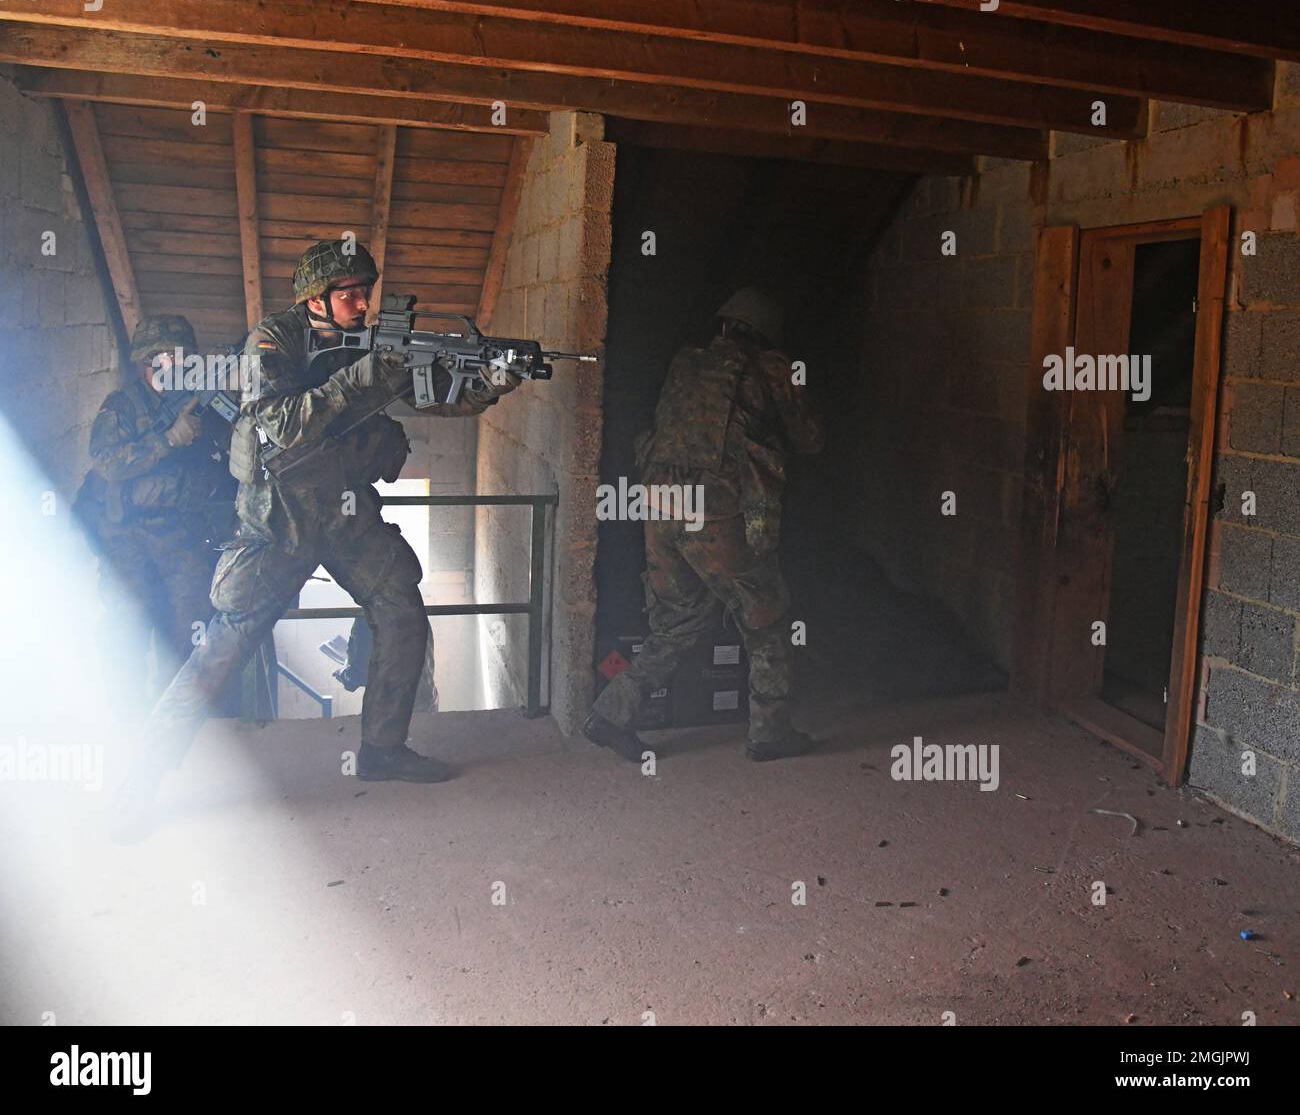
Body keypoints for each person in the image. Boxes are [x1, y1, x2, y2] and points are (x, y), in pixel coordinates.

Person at [110, 239, 520, 841]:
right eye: (347, 295)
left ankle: (383, 748)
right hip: (278, 516)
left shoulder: (374, 342)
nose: (361, 304)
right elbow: (283, 424)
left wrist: (491, 380)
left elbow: (438, 397)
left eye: (365, 293)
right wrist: (366, 374)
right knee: (226, 643)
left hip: (346, 509)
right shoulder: (271, 342)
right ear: (313, 301)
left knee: (402, 609)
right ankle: (137, 782)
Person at [584, 287, 823, 762]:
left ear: (723, 326)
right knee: (766, 618)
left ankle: (611, 715)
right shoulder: (773, 368)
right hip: (714, 509)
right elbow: (810, 438)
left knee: (676, 621)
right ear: (766, 336)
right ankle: (770, 733)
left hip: (658, 503)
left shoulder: (685, 361)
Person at [77, 315, 236, 725]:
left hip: (182, 538)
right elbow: (108, 463)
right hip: (126, 539)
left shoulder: (196, 401)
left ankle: (184, 731)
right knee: (126, 633)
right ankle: (125, 729)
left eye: (184, 356)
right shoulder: (122, 407)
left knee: (191, 636)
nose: (179, 363)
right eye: (169, 356)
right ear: (148, 361)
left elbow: (230, 452)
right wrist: (167, 439)